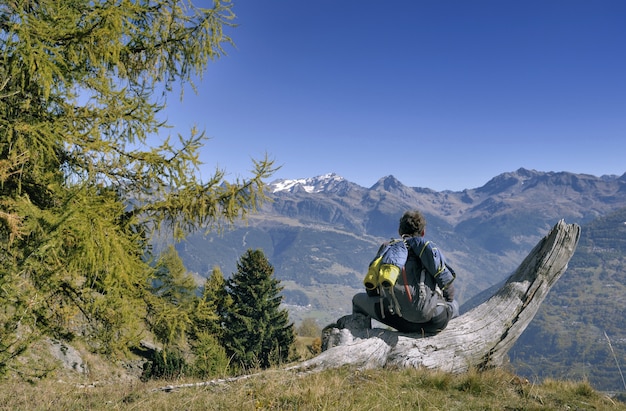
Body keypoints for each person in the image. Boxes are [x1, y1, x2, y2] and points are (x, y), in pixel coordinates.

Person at [352, 210, 459, 334]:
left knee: (357, 300)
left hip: (397, 320)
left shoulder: (388, 249)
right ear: (423, 233)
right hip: (434, 322)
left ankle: (360, 339)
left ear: (399, 231)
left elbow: (371, 289)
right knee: (454, 305)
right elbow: (449, 290)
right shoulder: (429, 250)